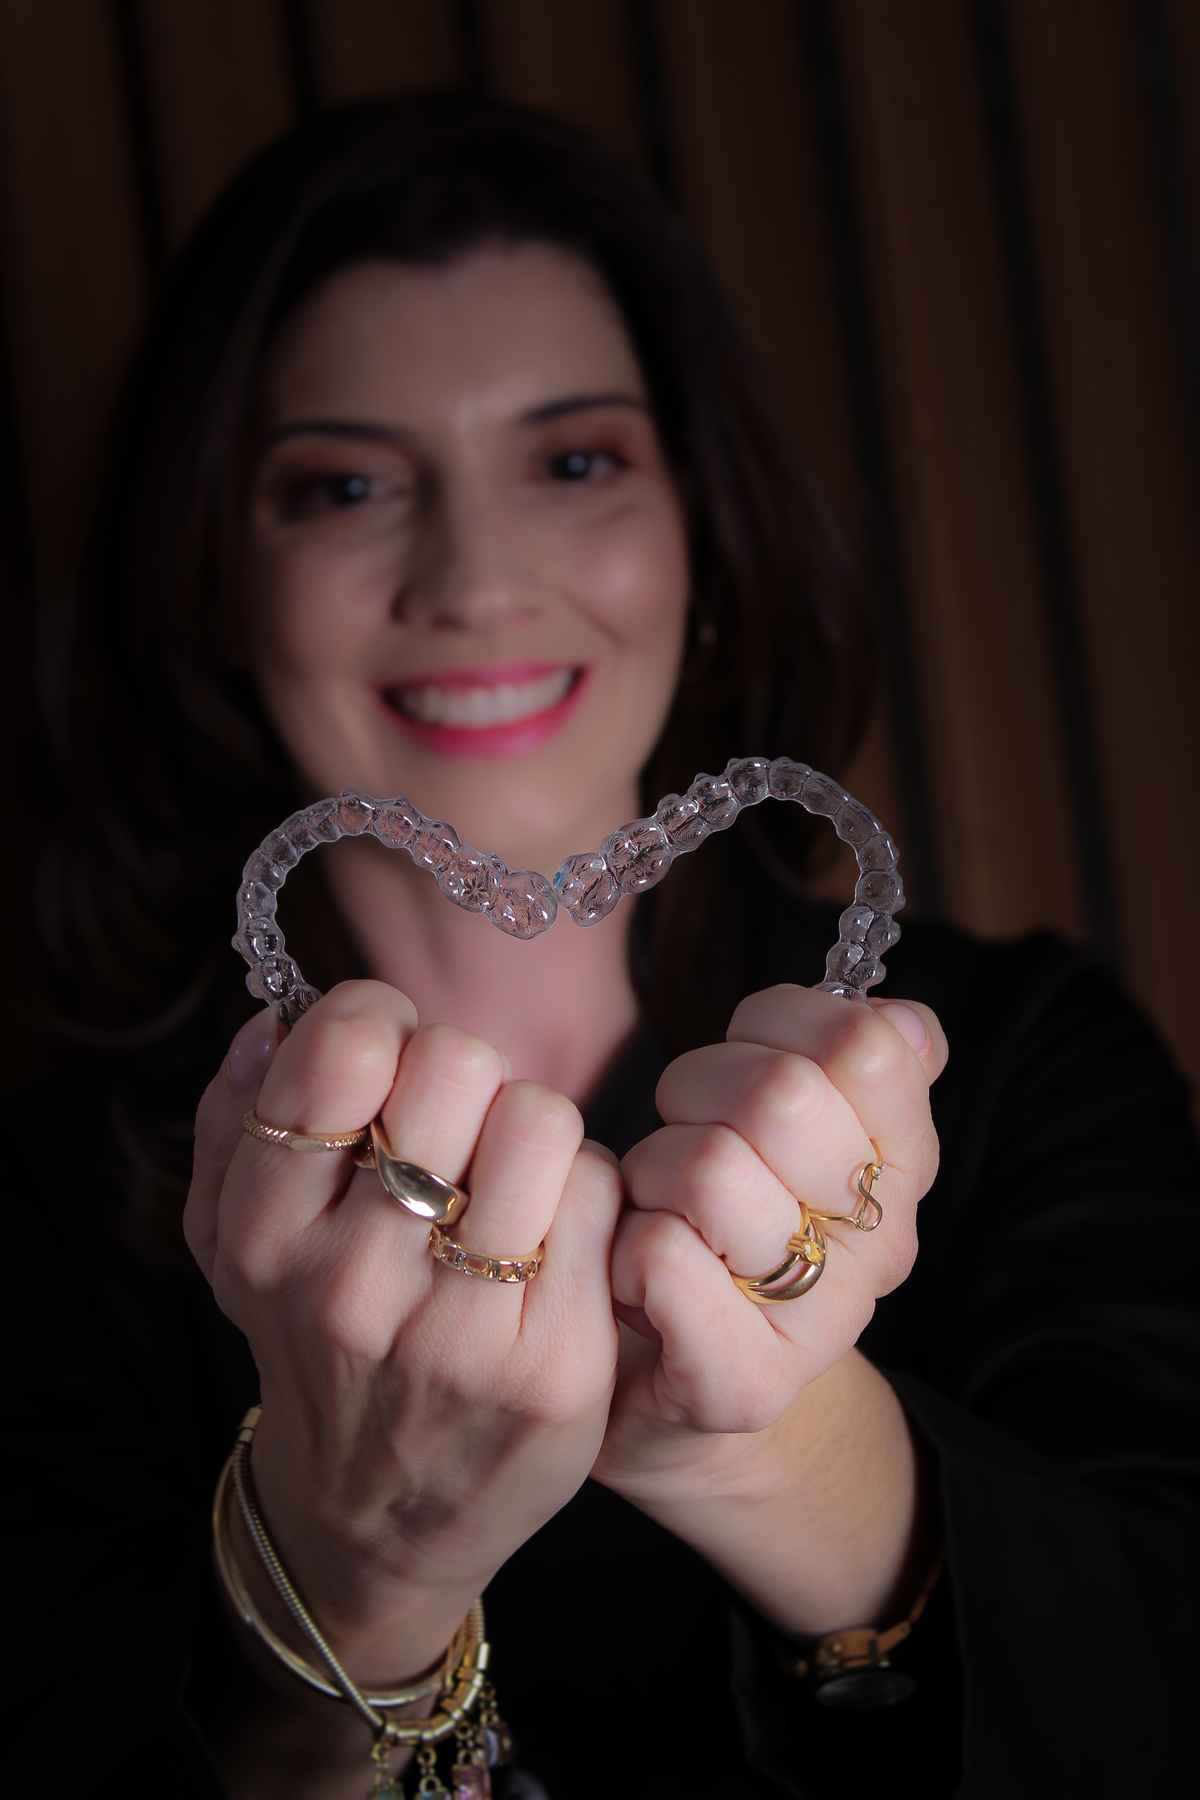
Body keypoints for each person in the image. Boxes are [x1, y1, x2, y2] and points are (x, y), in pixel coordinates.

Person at [4, 96, 1197, 1800]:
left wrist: (770, 1442)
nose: (477, 578)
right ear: (215, 586)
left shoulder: (1023, 1061)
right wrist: (351, 1573)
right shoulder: (43, 1221)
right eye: (345, 485)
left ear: (699, 528)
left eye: (573, 462)